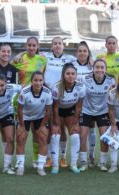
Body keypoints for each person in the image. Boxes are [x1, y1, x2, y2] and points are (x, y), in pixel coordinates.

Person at [12, 36, 47, 168]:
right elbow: (8, 66)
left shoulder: (43, 59)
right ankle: (19, 163)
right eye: (29, 45)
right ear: (26, 46)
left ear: (37, 46)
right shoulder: (19, 59)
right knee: (21, 133)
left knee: (37, 133)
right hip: (21, 100)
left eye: (34, 45)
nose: (31, 48)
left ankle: (36, 160)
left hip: (38, 100)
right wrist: (19, 54)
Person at [42, 37, 76, 168]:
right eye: (55, 43)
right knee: (51, 129)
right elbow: (30, 53)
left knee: (61, 129)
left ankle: (62, 157)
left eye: (59, 43)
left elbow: (85, 61)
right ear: (51, 46)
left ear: (63, 46)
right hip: (49, 97)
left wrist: (90, 59)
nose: (57, 46)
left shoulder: (70, 59)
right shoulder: (45, 57)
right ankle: (50, 158)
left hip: (64, 97)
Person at [97, 35, 119, 166]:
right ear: (105, 44)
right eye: (109, 43)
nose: (111, 45)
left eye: (113, 43)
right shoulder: (100, 58)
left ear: (117, 44)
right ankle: (100, 158)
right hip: (103, 96)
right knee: (107, 127)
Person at [79, 59, 115, 172]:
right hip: (87, 110)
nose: (99, 70)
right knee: (82, 136)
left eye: (102, 67)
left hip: (103, 111)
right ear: (93, 69)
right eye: (97, 67)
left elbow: (113, 97)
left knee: (104, 138)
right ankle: (84, 162)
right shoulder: (85, 79)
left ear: (105, 69)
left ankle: (103, 163)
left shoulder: (111, 80)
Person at [16, 71, 52, 176]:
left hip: (40, 117)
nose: (38, 83)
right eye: (35, 80)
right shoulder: (24, 92)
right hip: (25, 117)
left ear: (43, 81)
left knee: (43, 138)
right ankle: (20, 166)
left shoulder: (47, 92)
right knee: (21, 138)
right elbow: (19, 110)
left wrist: (41, 127)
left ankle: (40, 167)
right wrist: (22, 126)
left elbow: (48, 111)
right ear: (31, 81)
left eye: (40, 80)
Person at [51, 63, 85, 174]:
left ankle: (73, 164)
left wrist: (75, 122)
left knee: (75, 135)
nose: (70, 76)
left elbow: (79, 106)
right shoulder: (56, 87)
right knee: (56, 136)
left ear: (76, 75)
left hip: (71, 111)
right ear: (63, 75)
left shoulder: (81, 86)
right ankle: (55, 165)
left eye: (73, 74)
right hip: (58, 111)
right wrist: (56, 124)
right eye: (68, 74)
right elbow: (55, 108)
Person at [72, 41, 96, 167]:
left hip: (91, 101)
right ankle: (82, 158)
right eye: (80, 51)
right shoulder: (71, 65)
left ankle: (91, 155)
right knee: (81, 131)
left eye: (84, 51)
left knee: (92, 129)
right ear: (76, 53)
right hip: (77, 102)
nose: (82, 53)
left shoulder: (93, 66)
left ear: (88, 53)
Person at [0, 74, 21, 174]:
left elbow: (24, 87)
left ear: (6, 84)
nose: (0, 88)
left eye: (2, 85)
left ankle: (7, 166)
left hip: (7, 113)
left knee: (10, 138)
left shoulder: (12, 87)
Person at [0, 44, 17, 161]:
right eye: (3, 51)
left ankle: (7, 164)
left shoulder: (13, 69)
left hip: (6, 108)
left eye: (8, 52)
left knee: (7, 136)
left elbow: (15, 88)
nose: (6, 54)